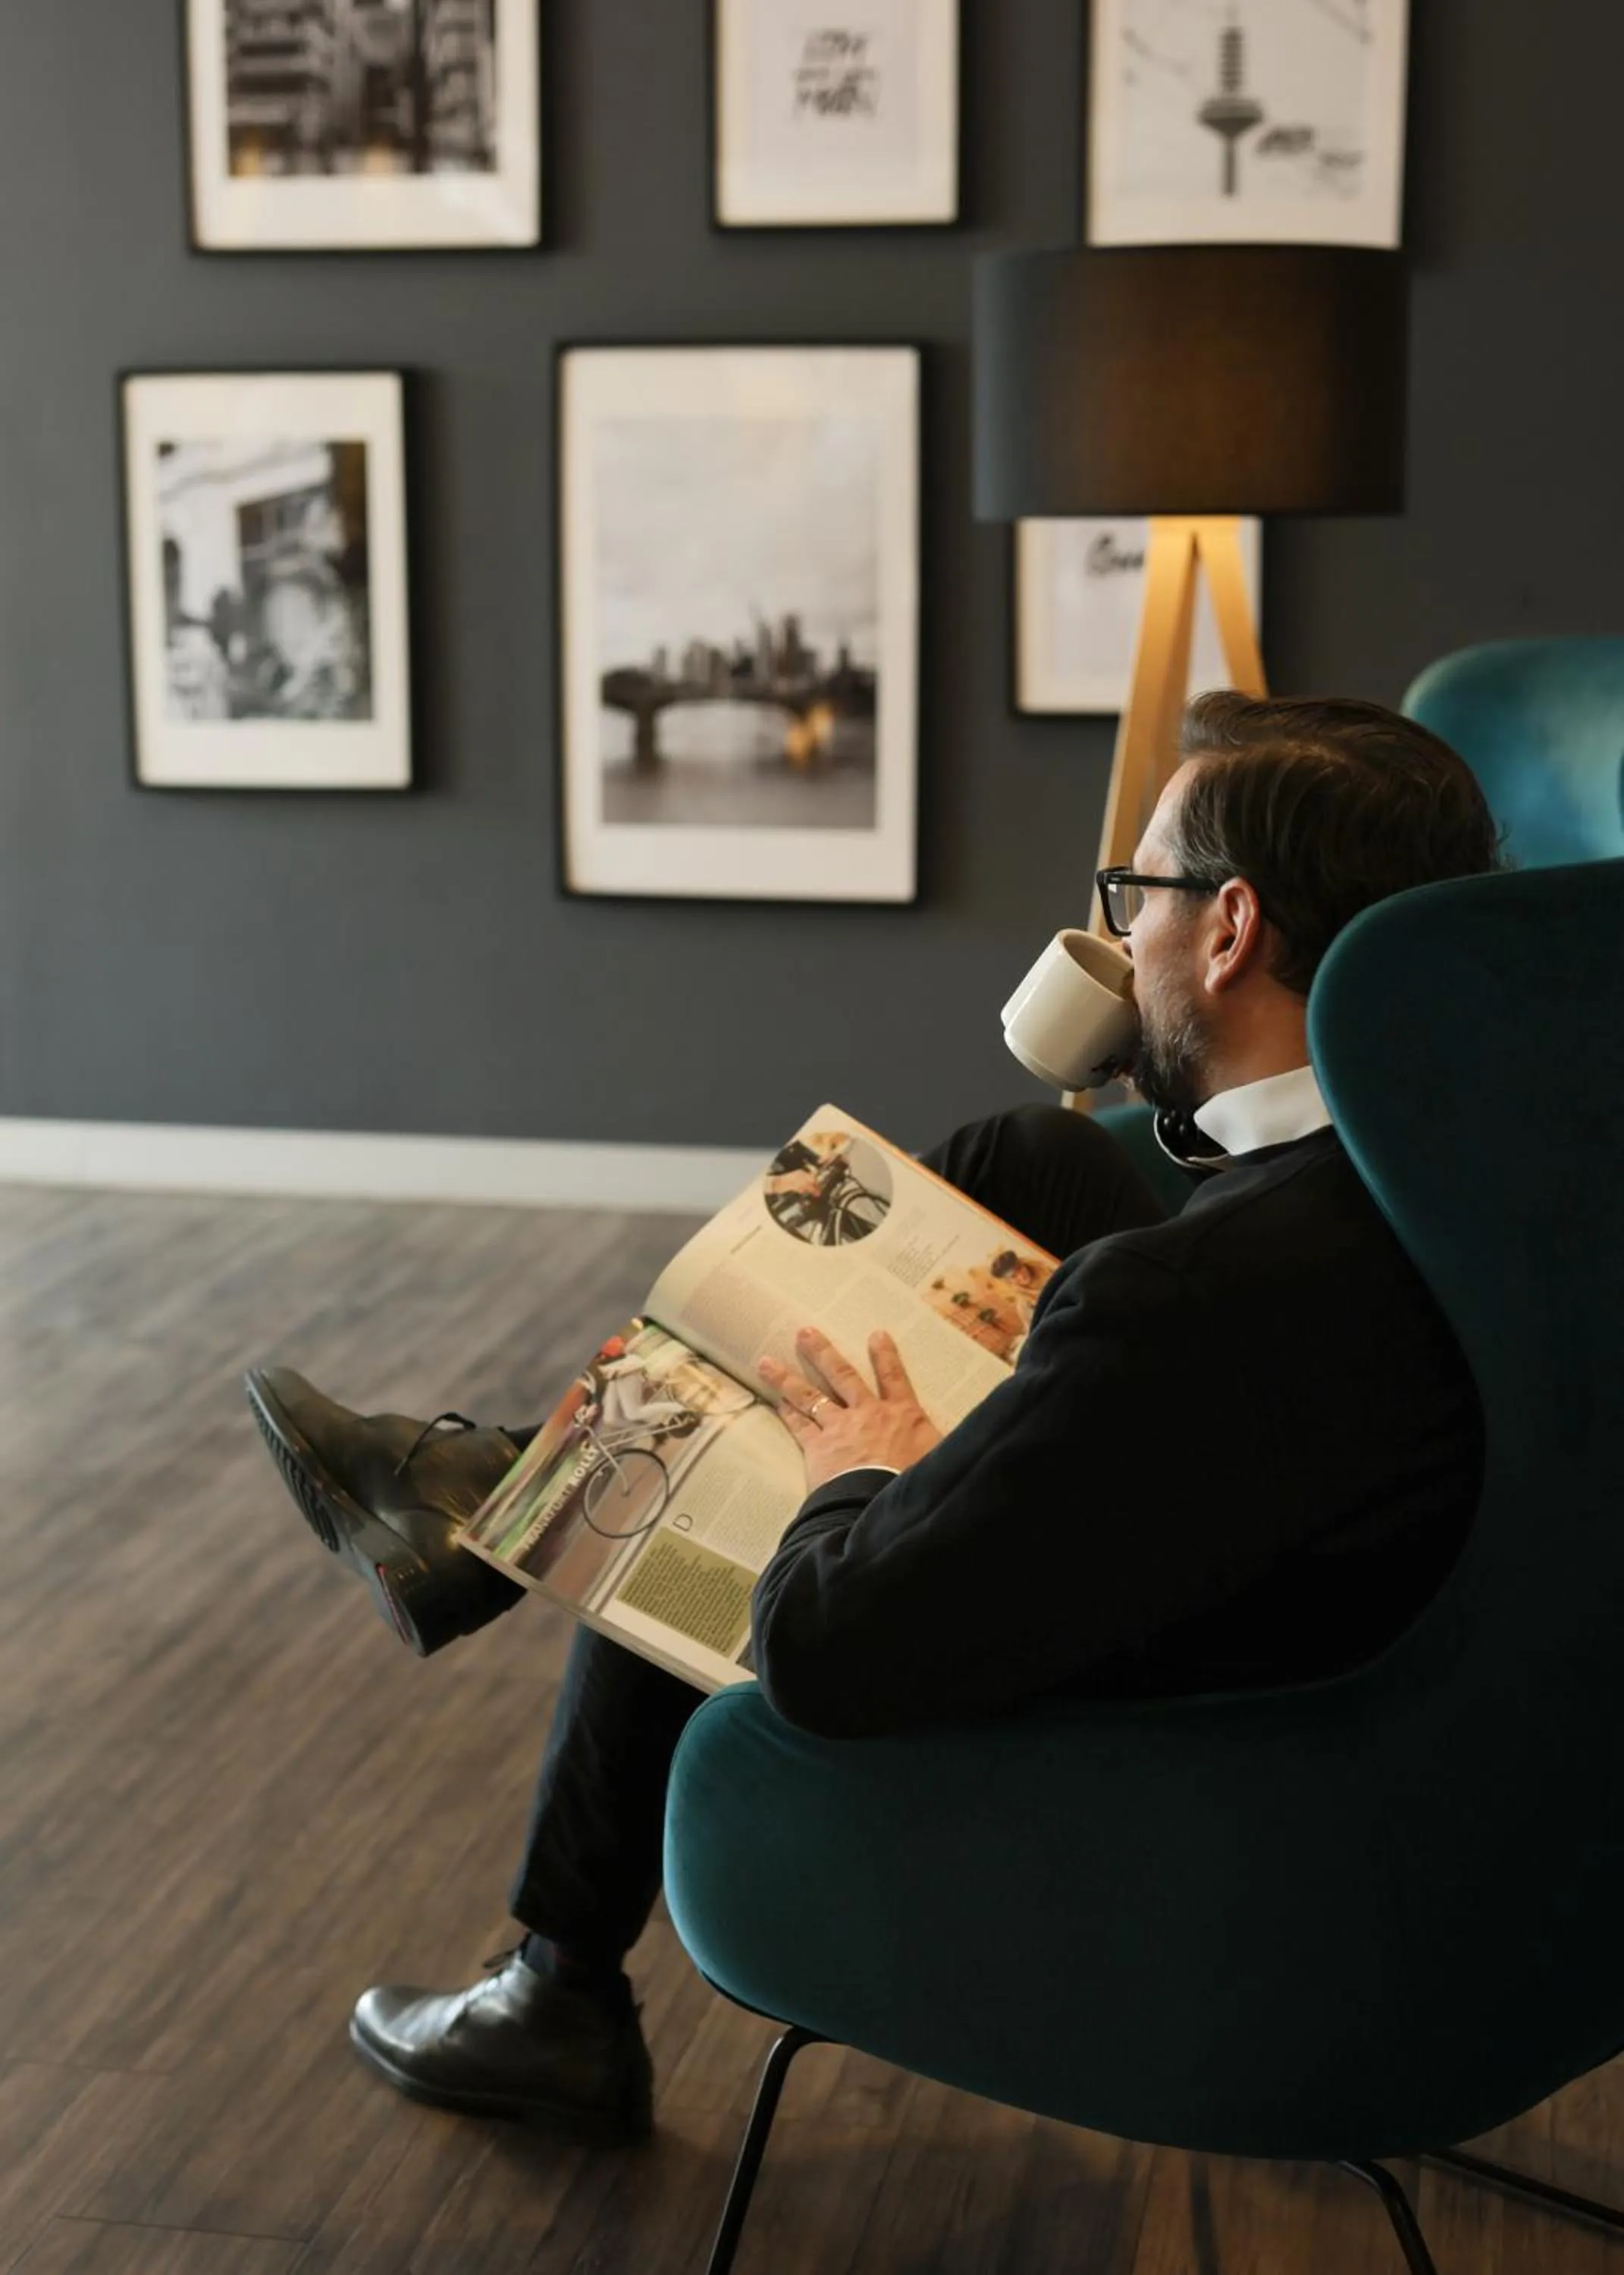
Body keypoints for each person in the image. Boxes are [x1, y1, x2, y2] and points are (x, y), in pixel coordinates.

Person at [244, 692, 1501, 2147]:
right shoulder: (1482, 1142)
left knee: (735, 1447)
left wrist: (861, 1473)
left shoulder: (1182, 1302)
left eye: (1132, 896)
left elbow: (829, 1653)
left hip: (1229, 1755)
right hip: (1393, 1615)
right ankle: (500, 1503)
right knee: (1024, 1156)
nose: (1110, 936)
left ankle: (555, 1966)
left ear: (1225, 932)